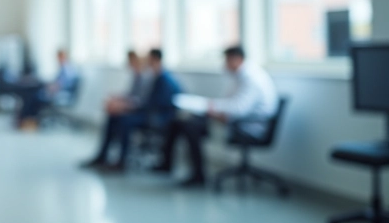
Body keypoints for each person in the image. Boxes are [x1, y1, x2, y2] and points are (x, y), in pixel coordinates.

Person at [153, 45, 278, 187]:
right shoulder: (242, 75)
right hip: (239, 120)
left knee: (190, 125)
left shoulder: (251, 78)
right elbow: (232, 103)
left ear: (236, 59)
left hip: (248, 126)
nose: (224, 65)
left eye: (227, 60)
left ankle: (198, 175)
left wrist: (211, 108)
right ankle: (167, 164)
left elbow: (238, 109)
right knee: (179, 121)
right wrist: (211, 106)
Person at [81, 49, 181, 172]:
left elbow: (150, 103)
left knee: (125, 120)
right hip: (145, 111)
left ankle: (121, 161)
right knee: (113, 117)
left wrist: (125, 107)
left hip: (153, 117)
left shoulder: (160, 78)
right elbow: (137, 97)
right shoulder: (153, 76)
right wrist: (120, 102)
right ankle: (102, 156)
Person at [14, 49, 79, 128]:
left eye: (59, 57)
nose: (58, 60)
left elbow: (60, 85)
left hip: (60, 94)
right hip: (56, 92)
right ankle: (28, 120)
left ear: (64, 57)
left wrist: (48, 87)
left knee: (34, 98)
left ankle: (30, 121)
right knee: (32, 96)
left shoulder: (67, 70)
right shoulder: (64, 69)